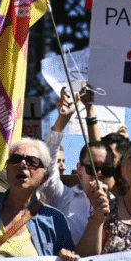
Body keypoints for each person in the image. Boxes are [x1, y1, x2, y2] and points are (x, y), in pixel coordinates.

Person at [0, 138, 77, 261]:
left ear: (45, 177)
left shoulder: (54, 220)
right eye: (15, 159)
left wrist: (66, 257)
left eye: (32, 161)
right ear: (7, 169)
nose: (22, 164)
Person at [43, 87, 117, 241]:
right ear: (79, 169)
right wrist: (62, 121)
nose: (100, 174)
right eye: (93, 169)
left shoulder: (121, 204)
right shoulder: (63, 197)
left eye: (107, 170)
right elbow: (47, 164)